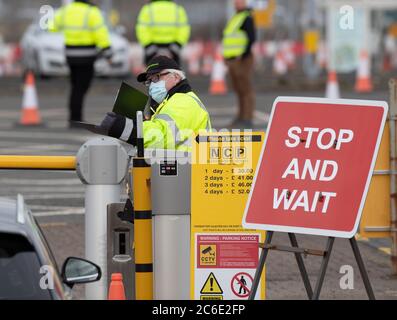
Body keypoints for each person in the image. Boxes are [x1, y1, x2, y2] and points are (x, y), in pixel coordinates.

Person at [99, 56, 211, 151]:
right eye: (149, 81)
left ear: (176, 77)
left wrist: (125, 127)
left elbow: (162, 137)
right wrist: (140, 123)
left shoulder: (183, 101)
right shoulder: (170, 101)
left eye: (156, 78)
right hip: (182, 169)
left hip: (188, 172)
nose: (152, 85)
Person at [50, 0, 112, 127]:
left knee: (75, 86)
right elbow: (100, 33)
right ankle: (75, 119)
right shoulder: (92, 11)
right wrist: (108, 52)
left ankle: (74, 118)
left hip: (70, 54)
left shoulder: (66, 10)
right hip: (87, 55)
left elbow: (52, 27)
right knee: (81, 87)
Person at [222, 0, 256, 128]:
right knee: (238, 89)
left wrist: (244, 55)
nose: (237, 3)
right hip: (232, 59)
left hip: (241, 59)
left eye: (240, 1)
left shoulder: (246, 18)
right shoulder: (236, 17)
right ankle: (241, 116)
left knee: (245, 89)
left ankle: (247, 118)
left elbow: (251, 38)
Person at [135, 0, 190, 66]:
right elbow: (184, 30)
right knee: (174, 74)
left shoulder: (147, 9)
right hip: (173, 48)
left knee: (150, 74)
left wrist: (149, 46)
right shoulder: (178, 9)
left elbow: (142, 30)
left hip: (152, 48)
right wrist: (176, 46)